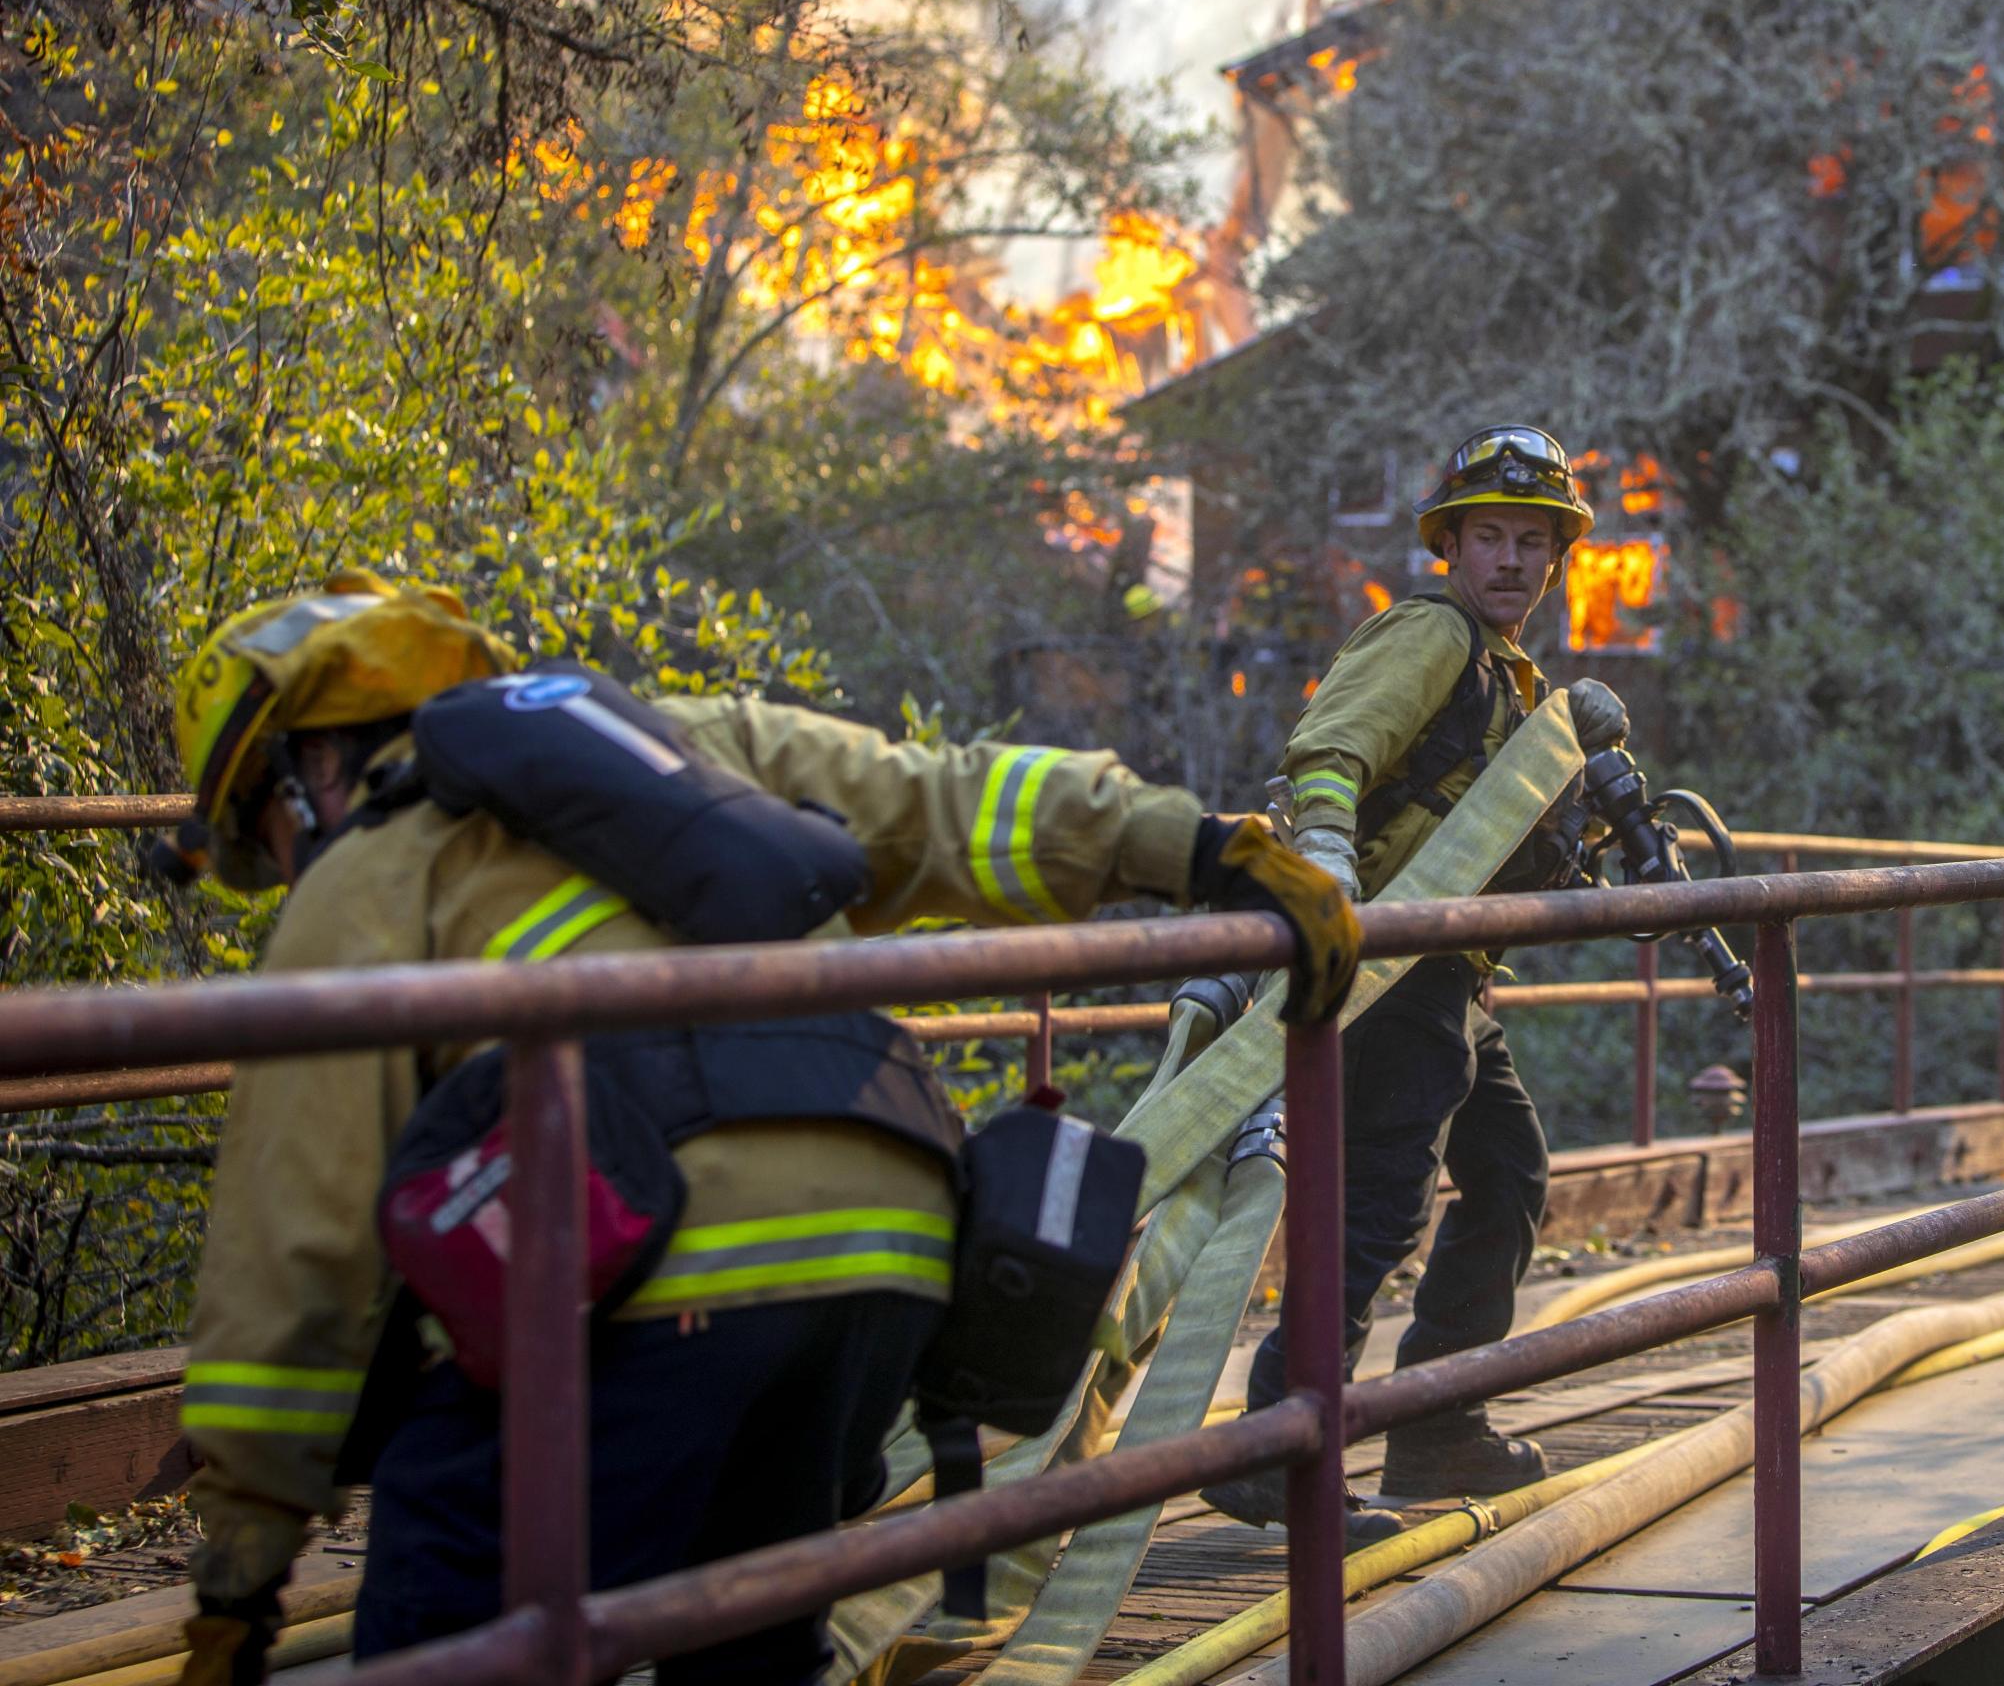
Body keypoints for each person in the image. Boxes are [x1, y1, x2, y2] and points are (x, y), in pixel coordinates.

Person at [165, 573, 1355, 1686]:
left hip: (659, 1264)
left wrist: (240, 1577)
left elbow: (293, 1260)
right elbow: (945, 799)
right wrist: (1204, 848)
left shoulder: (359, 876)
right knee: (746, 1635)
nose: (279, 867)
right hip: (887, 1230)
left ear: (306, 763)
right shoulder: (683, 741)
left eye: (258, 832)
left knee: (448, 1615)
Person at [1206, 426, 1608, 1532]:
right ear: (1452, 544)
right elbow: (1330, 748)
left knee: (1509, 1174)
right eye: (1492, 537)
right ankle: (1275, 1455)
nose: (1514, 561)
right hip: (1386, 962)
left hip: (1447, 971)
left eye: (1535, 541)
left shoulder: (1503, 669)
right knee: (1376, 1209)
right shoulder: (1431, 632)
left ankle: (1437, 1426)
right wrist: (1327, 854)